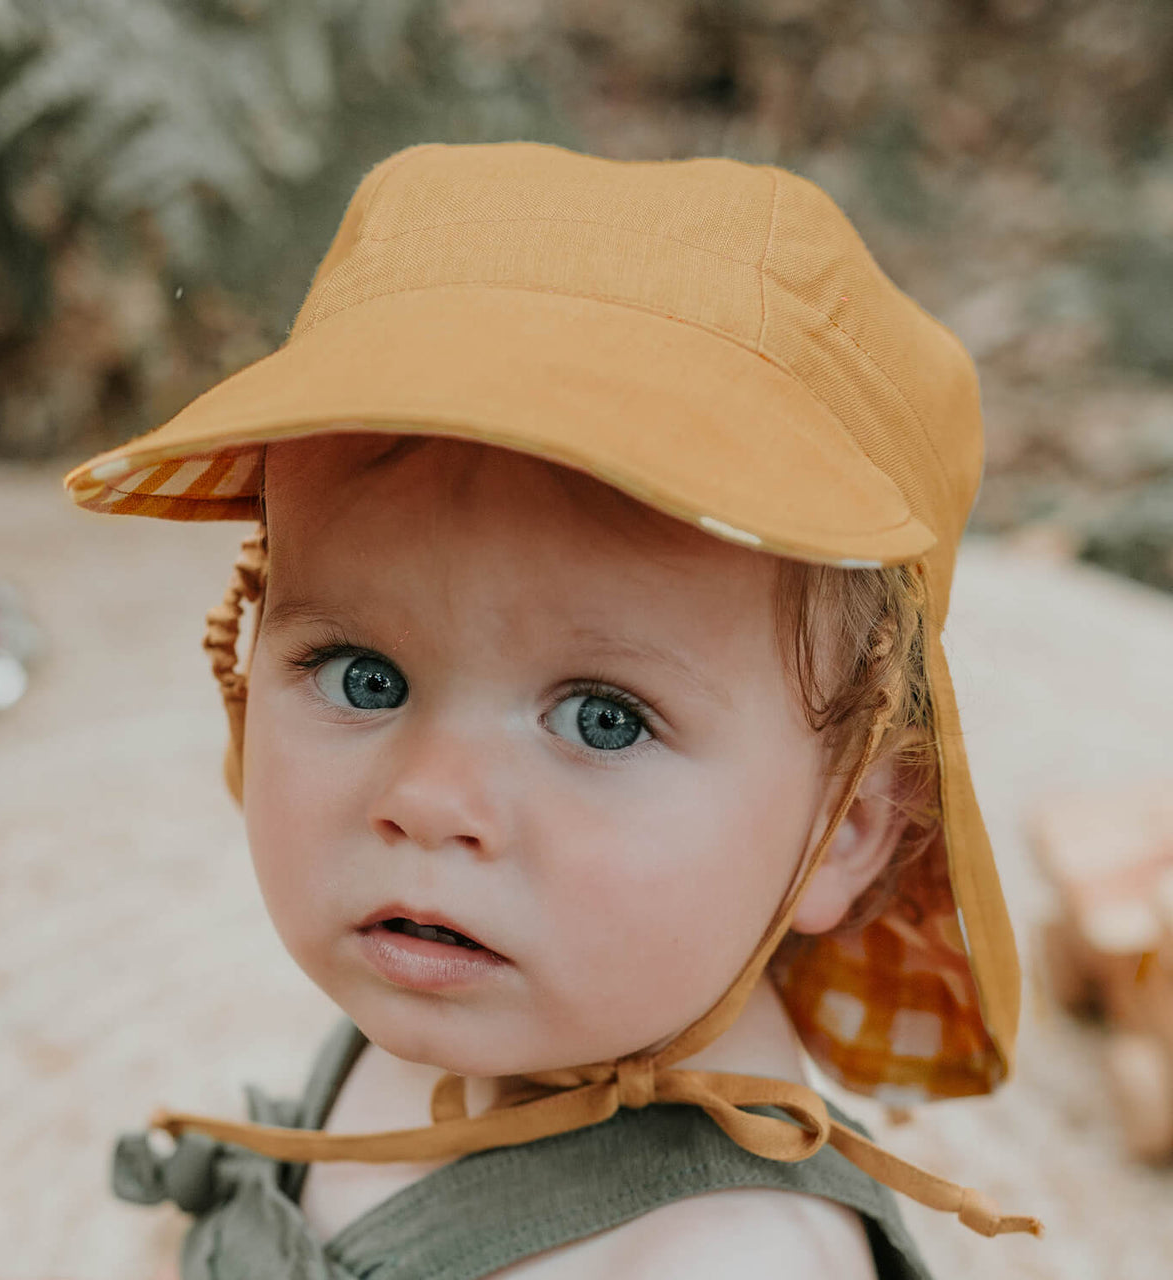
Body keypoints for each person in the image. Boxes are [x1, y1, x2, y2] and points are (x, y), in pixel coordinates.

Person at [64, 140, 1044, 1279]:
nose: (427, 801)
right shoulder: (469, 988)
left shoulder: (717, 1256)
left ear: (848, 825)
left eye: (602, 719)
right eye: (361, 677)